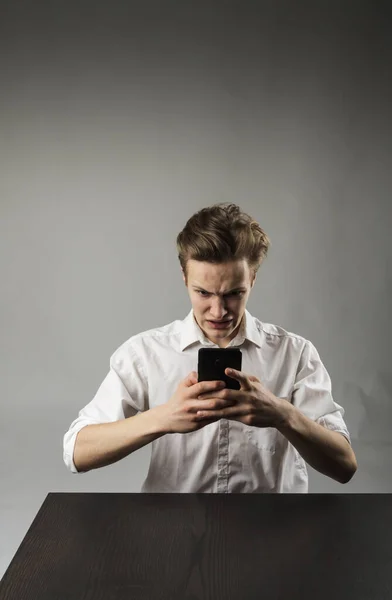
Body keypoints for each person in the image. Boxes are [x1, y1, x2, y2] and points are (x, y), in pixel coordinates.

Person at [63, 203, 357, 492]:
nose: (218, 311)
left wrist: (283, 415)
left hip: (272, 529)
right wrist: (163, 418)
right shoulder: (144, 353)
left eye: (234, 293)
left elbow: (344, 466)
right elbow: (77, 451)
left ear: (252, 279)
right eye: (203, 292)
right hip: (172, 529)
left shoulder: (295, 354)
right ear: (184, 278)